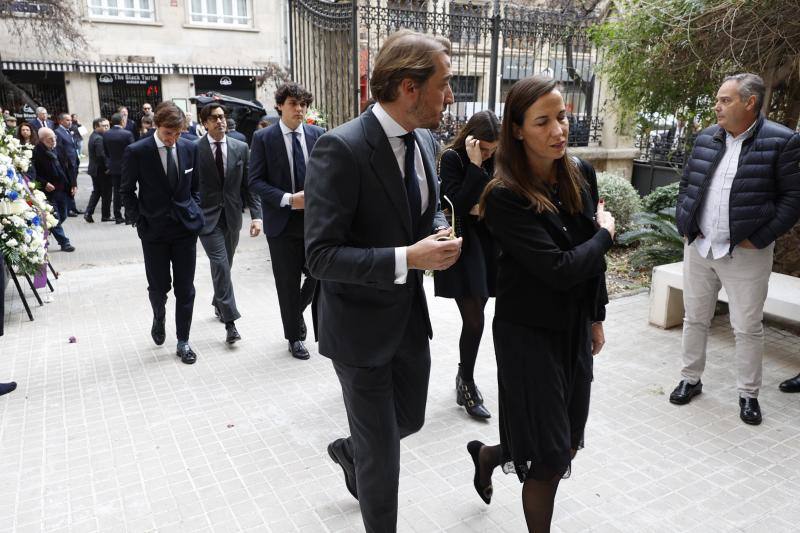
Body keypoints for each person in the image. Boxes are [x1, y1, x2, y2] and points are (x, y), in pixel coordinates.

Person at [304, 30, 460, 532]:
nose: (450, 95)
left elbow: (421, 205)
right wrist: (407, 258)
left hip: (409, 322)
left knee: (409, 420)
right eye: (445, 83)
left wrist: (435, 231)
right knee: (383, 460)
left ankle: (352, 450)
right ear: (409, 87)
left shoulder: (427, 139)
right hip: (358, 331)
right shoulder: (340, 148)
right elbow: (321, 256)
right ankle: (366, 459)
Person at [466, 75, 614, 531]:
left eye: (562, 117)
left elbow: (587, 264)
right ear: (516, 129)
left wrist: (596, 316)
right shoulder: (505, 195)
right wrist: (606, 234)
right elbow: (559, 268)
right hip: (527, 332)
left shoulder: (579, 173)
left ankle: (490, 455)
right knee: (549, 459)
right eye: (543, 121)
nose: (558, 130)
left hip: (571, 326)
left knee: (565, 441)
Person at [671, 73, 800, 425]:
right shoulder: (705, 139)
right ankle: (690, 379)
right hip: (699, 247)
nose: (717, 106)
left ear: (750, 103)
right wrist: (685, 223)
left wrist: (759, 238)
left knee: (746, 326)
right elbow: (687, 184)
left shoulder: (782, 141)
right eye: (718, 100)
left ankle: (748, 395)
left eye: (725, 100)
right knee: (694, 317)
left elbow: (793, 199)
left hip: (746, 254)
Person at [120, 101, 204, 365]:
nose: (173, 139)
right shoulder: (137, 151)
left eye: (178, 133)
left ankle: (183, 341)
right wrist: (138, 220)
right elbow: (126, 190)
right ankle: (159, 315)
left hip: (184, 229)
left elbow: (197, 187)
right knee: (159, 287)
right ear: (157, 125)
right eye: (169, 133)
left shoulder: (190, 147)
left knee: (186, 289)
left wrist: (195, 210)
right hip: (153, 231)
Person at [248, 82, 323, 360]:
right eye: (294, 104)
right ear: (281, 105)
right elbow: (254, 181)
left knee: (319, 274)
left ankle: (297, 311)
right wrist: (289, 199)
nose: (300, 109)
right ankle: (294, 337)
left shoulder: (318, 134)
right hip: (282, 222)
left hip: (315, 222)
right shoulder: (264, 139)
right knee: (287, 283)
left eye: (303, 104)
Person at [434, 110, 500, 420]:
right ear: (471, 139)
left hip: (491, 246)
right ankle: (467, 381)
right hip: (464, 246)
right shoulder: (452, 159)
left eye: (491, 149)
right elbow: (457, 205)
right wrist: (475, 166)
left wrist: (481, 203)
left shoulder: (498, 159)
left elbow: (499, 201)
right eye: (484, 148)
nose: (488, 154)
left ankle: (465, 374)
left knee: (479, 313)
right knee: (474, 319)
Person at [195, 102, 262, 344]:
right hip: (206, 219)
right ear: (205, 123)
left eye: (222, 117)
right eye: (214, 118)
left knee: (226, 265)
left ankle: (218, 301)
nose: (220, 121)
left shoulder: (241, 148)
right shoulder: (194, 149)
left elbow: (249, 186)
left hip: (232, 217)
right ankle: (230, 322)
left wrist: (256, 216)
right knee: (221, 265)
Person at [32, 128, 76, 252]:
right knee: (54, 216)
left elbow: (70, 167)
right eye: (49, 139)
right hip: (48, 191)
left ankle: (48, 228)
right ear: (42, 140)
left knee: (63, 214)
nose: (53, 140)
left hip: (63, 188)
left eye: (54, 137)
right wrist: (44, 183)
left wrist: (73, 183)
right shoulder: (36, 152)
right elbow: (33, 173)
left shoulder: (59, 148)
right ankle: (64, 242)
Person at [104, 113, 135, 224]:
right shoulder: (127, 134)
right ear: (122, 121)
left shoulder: (106, 134)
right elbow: (133, 150)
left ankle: (118, 216)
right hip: (126, 167)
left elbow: (106, 152)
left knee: (116, 192)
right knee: (128, 191)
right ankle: (128, 217)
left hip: (114, 167)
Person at [54, 113, 82, 216]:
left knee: (73, 185)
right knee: (69, 185)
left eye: (70, 120)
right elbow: (60, 150)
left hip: (74, 162)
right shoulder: (58, 132)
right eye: (67, 120)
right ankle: (68, 208)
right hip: (67, 165)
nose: (70, 122)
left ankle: (73, 207)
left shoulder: (68, 131)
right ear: (61, 121)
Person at [85, 117, 112, 223]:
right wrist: (108, 167)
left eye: (108, 125)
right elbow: (101, 155)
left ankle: (88, 212)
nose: (107, 128)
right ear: (96, 127)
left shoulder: (95, 136)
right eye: (104, 126)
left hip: (95, 170)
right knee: (106, 193)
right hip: (101, 170)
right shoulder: (99, 138)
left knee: (97, 192)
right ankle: (105, 216)